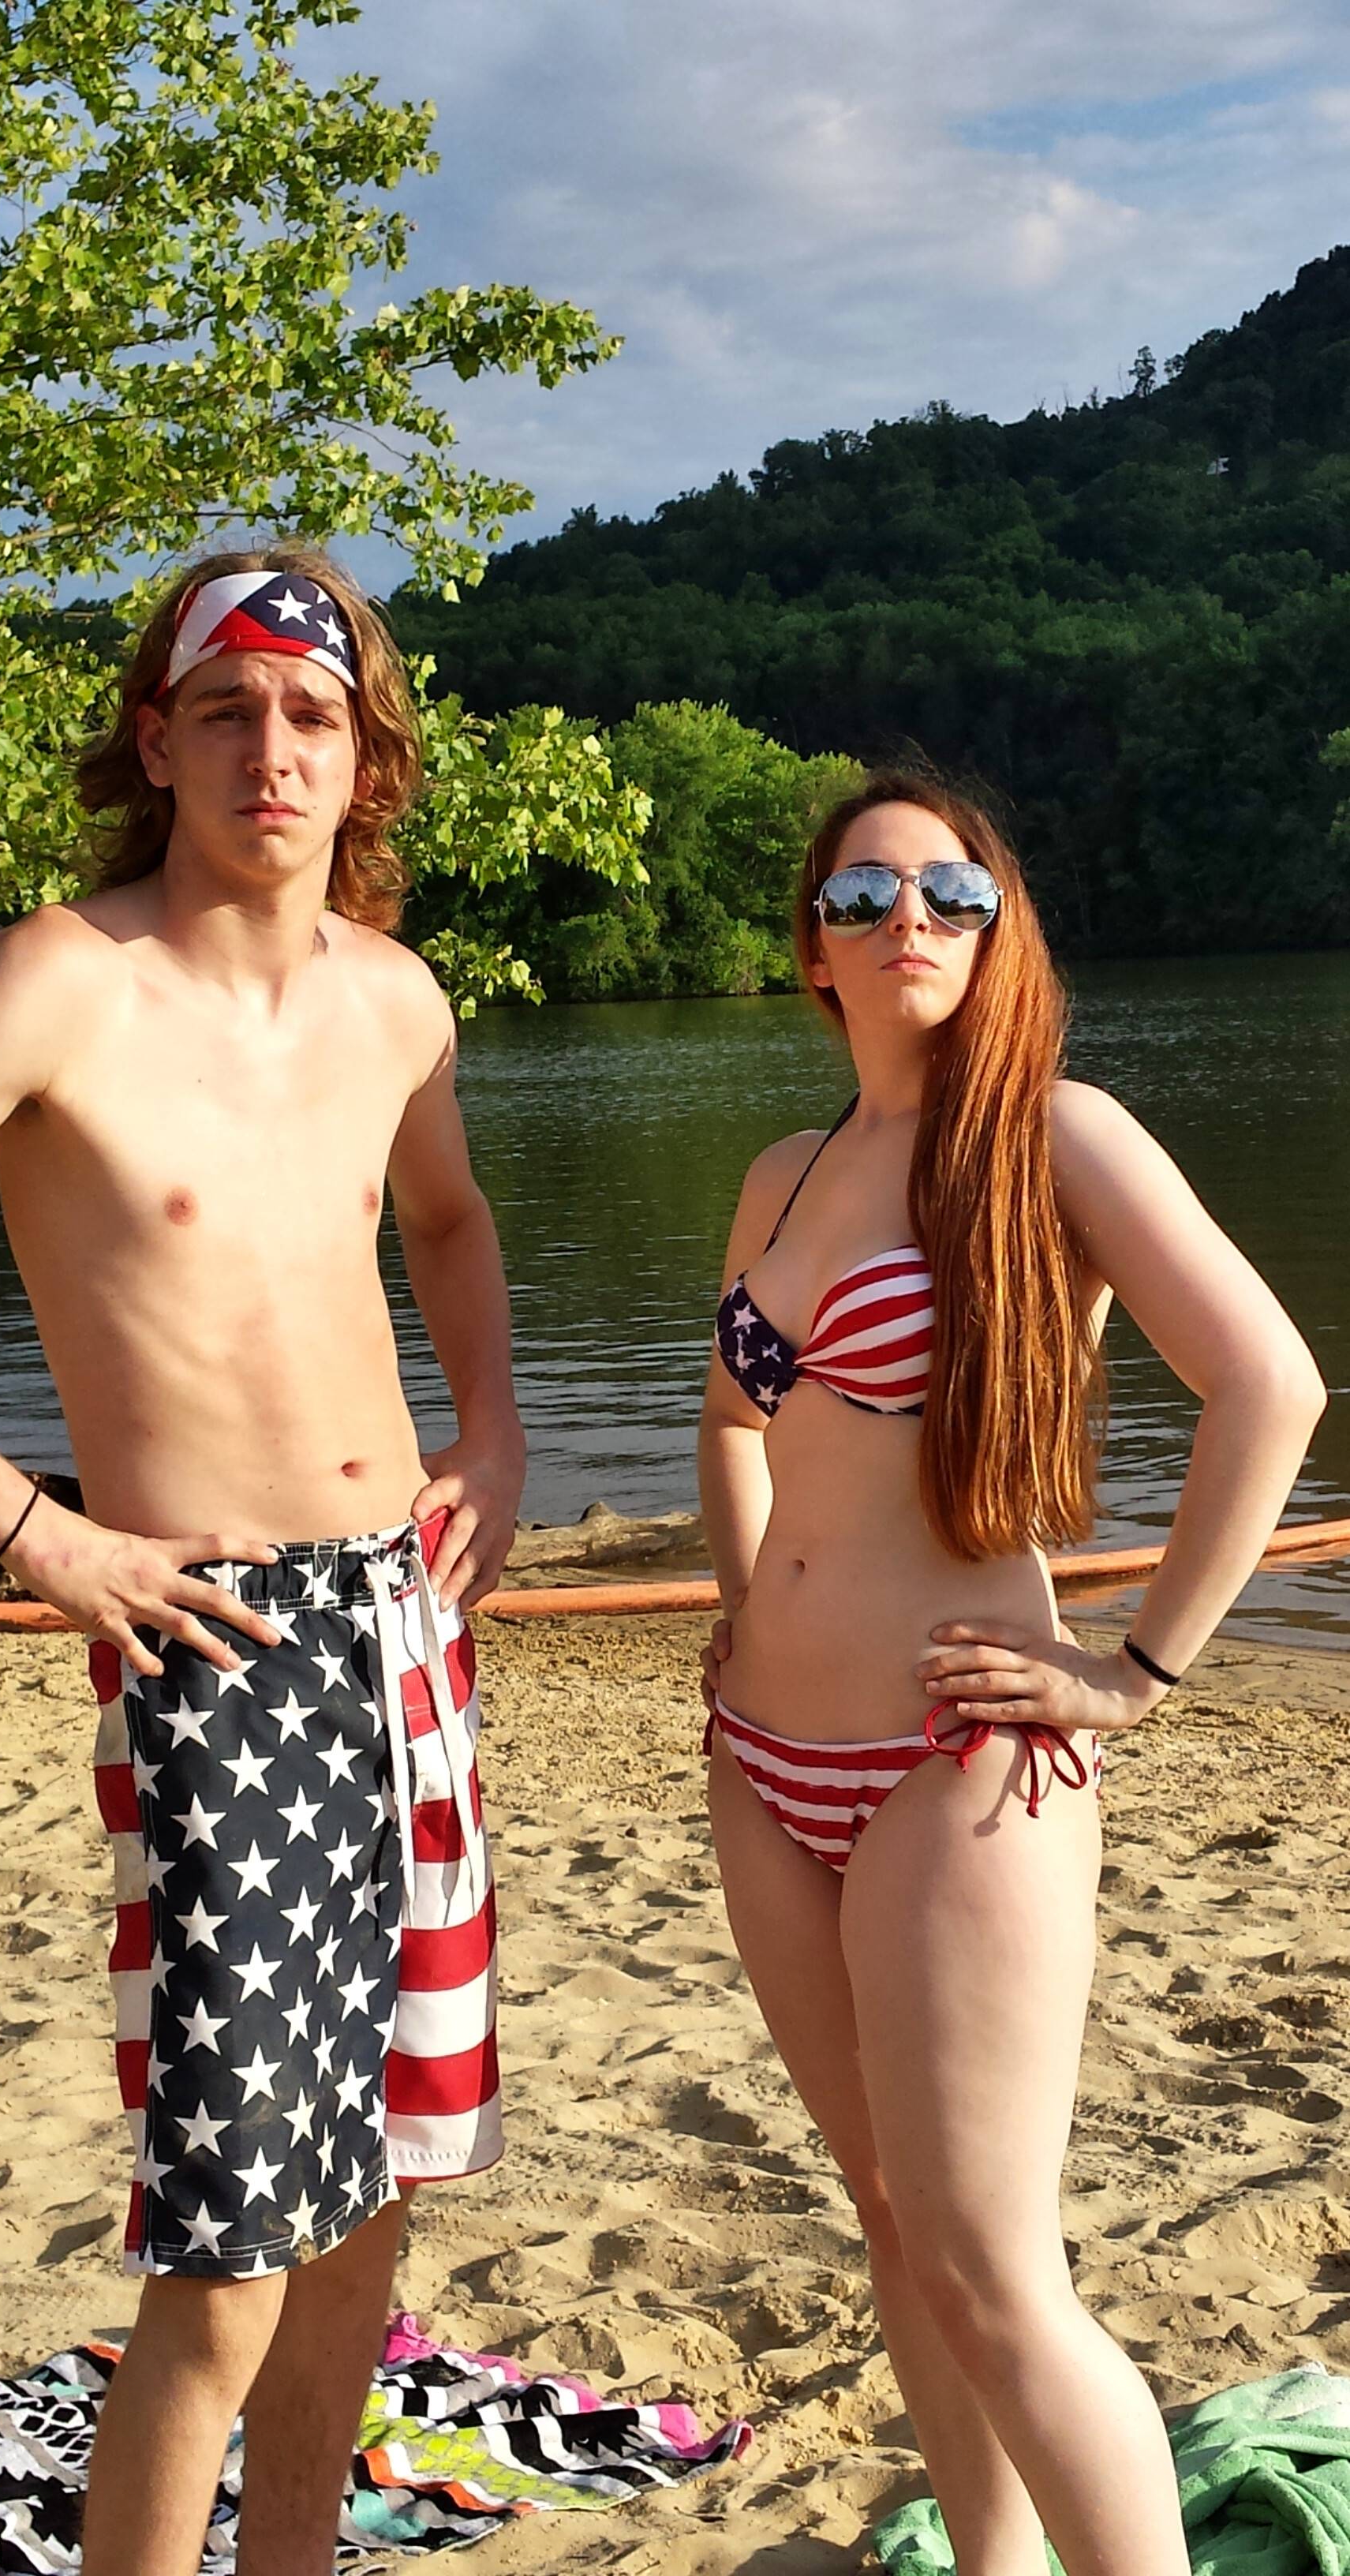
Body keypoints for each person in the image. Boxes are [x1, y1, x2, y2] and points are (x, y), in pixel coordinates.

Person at [0, 545, 525, 2576]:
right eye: (230, 709)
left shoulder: (396, 1000)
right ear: (156, 742)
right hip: (217, 1649)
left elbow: (448, 1223)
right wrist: (37, 1536)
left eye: (315, 715)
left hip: (404, 1631)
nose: (276, 748)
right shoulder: (55, 984)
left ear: (367, 761)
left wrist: (498, 1430)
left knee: (372, 2213)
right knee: (235, 2252)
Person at [697, 769, 1325, 2576]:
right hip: (762, 1757)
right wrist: (741, 1604)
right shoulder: (784, 1172)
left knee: (993, 2263)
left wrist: (1137, 1668)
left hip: (950, 1761)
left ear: (996, 930)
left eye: (951, 893)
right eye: (863, 895)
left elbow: (1271, 1387)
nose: (909, 919)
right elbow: (734, 1419)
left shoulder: (1057, 1136)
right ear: (812, 948)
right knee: (891, 2218)